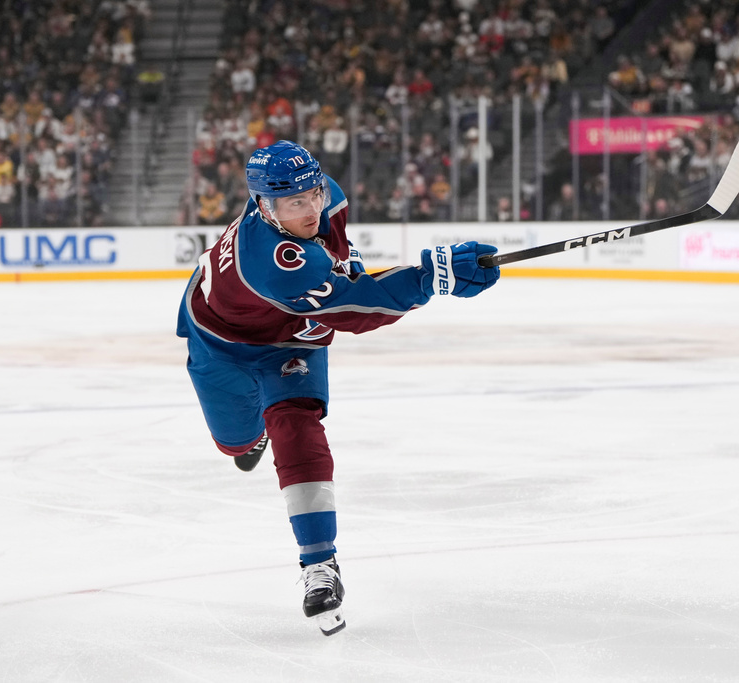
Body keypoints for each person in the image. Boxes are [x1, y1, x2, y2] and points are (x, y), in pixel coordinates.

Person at [175, 140, 500, 636]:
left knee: (295, 426)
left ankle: (318, 565)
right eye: (295, 203)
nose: (312, 210)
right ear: (265, 206)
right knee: (234, 444)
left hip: (290, 341)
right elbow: (358, 307)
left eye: (313, 195)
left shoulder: (325, 198)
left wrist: (366, 269)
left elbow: (342, 268)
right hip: (220, 346)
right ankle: (251, 436)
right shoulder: (273, 261)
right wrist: (431, 277)